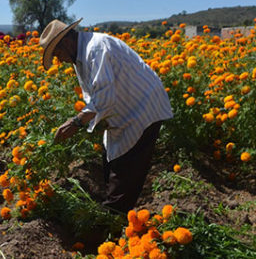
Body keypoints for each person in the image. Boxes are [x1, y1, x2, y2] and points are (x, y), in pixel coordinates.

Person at [40, 18, 173, 213]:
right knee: (112, 162)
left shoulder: (96, 49)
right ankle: (112, 213)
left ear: (66, 42)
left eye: (57, 53)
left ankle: (114, 220)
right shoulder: (81, 55)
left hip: (143, 109)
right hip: (125, 111)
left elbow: (103, 99)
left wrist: (76, 122)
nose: (58, 60)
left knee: (124, 173)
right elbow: (97, 96)